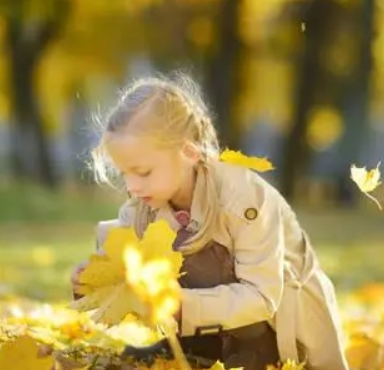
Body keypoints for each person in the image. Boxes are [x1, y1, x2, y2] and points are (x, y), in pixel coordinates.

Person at [71, 72, 350, 370]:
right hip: (207, 321)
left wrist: (182, 306)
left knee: (217, 262)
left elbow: (262, 296)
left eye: (143, 172)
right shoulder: (143, 206)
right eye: (124, 173)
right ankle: (197, 347)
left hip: (276, 322)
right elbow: (127, 269)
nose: (133, 186)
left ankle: (245, 353)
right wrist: (95, 282)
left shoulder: (244, 200)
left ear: (188, 152)